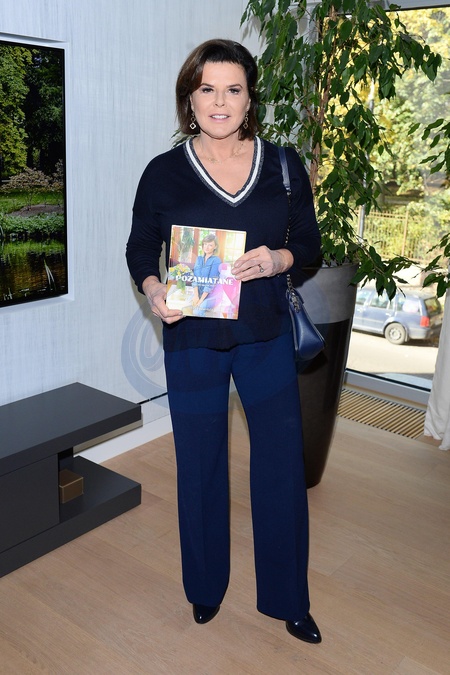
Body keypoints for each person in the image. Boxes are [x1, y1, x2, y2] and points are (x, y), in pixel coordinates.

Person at [126, 39, 322, 644]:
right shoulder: (162, 172)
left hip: (265, 337)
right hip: (192, 342)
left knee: (281, 468)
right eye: (207, 88)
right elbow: (140, 248)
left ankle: (288, 600)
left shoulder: (283, 165)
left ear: (249, 98)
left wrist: (277, 259)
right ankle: (206, 589)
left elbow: (308, 248)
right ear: (189, 98)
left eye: (232, 89)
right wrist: (153, 288)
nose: (219, 101)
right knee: (200, 466)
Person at [192, 234, 222, 316]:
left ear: (215, 247)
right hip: (199, 293)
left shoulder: (216, 260)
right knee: (186, 305)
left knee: (197, 311)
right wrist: (196, 296)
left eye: (210, 245)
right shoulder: (199, 258)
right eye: (205, 244)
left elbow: (210, 283)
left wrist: (200, 301)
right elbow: (195, 278)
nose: (206, 247)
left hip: (211, 295)